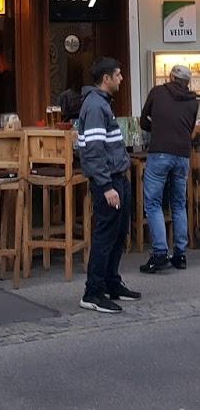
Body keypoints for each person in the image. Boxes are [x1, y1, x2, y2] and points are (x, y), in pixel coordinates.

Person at [76, 57, 141, 313]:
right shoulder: (95, 106)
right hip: (109, 181)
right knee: (105, 235)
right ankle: (93, 292)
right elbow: (93, 151)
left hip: (116, 177)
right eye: (118, 74)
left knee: (118, 233)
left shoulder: (101, 104)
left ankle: (112, 283)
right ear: (106, 78)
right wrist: (105, 186)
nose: (122, 78)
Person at [138, 64, 200, 273]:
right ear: (187, 82)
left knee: (154, 203)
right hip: (183, 154)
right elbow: (189, 128)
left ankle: (159, 253)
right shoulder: (193, 101)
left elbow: (143, 120)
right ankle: (180, 254)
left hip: (160, 152)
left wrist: (156, 128)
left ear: (171, 77)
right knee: (179, 204)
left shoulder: (157, 92)